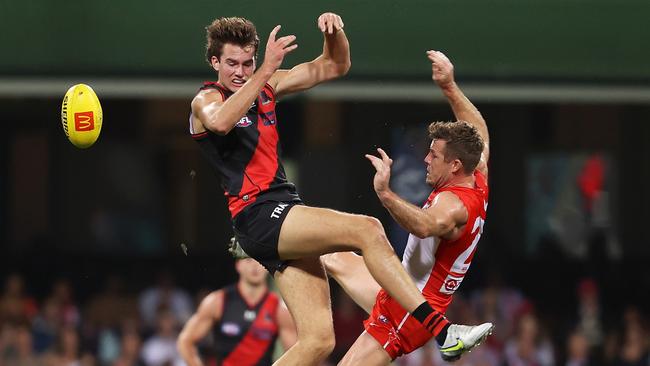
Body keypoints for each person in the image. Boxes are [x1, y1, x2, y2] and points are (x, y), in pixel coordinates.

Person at [189, 13, 464, 365]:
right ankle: (440, 329)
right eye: (231, 63)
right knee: (367, 228)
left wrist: (335, 35)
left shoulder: (266, 83)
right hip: (258, 215)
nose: (241, 71)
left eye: (248, 62)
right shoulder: (206, 99)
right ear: (215, 62)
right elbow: (221, 121)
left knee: (318, 341)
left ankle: (410, 319)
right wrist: (266, 70)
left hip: (281, 212)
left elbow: (334, 65)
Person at [322, 50, 494, 364]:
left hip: (409, 313)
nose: (425, 160)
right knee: (329, 255)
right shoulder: (477, 173)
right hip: (401, 291)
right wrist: (449, 87)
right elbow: (479, 129)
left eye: (434, 156)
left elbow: (425, 225)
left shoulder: (452, 205)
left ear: (454, 164)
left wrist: (386, 193)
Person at [177, 258, 296, 366]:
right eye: (248, 260)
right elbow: (185, 341)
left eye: (260, 261)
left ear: (267, 267)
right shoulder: (218, 301)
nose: (255, 266)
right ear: (238, 265)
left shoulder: (278, 308)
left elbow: (295, 354)